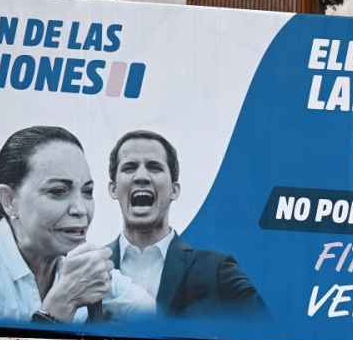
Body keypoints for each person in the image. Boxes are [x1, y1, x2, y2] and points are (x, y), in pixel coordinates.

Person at [0, 126, 154, 324]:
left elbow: (150, 314)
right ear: (9, 200)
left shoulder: (80, 263)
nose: (81, 209)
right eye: (58, 191)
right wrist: (64, 300)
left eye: (87, 192)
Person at [103, 129, 268, 319]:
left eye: (154, 167)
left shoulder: (217, 271)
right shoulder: (89, 269)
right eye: (129, 167)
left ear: (174, 190)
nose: (141, 176)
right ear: (113, 189)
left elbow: (268, 330)